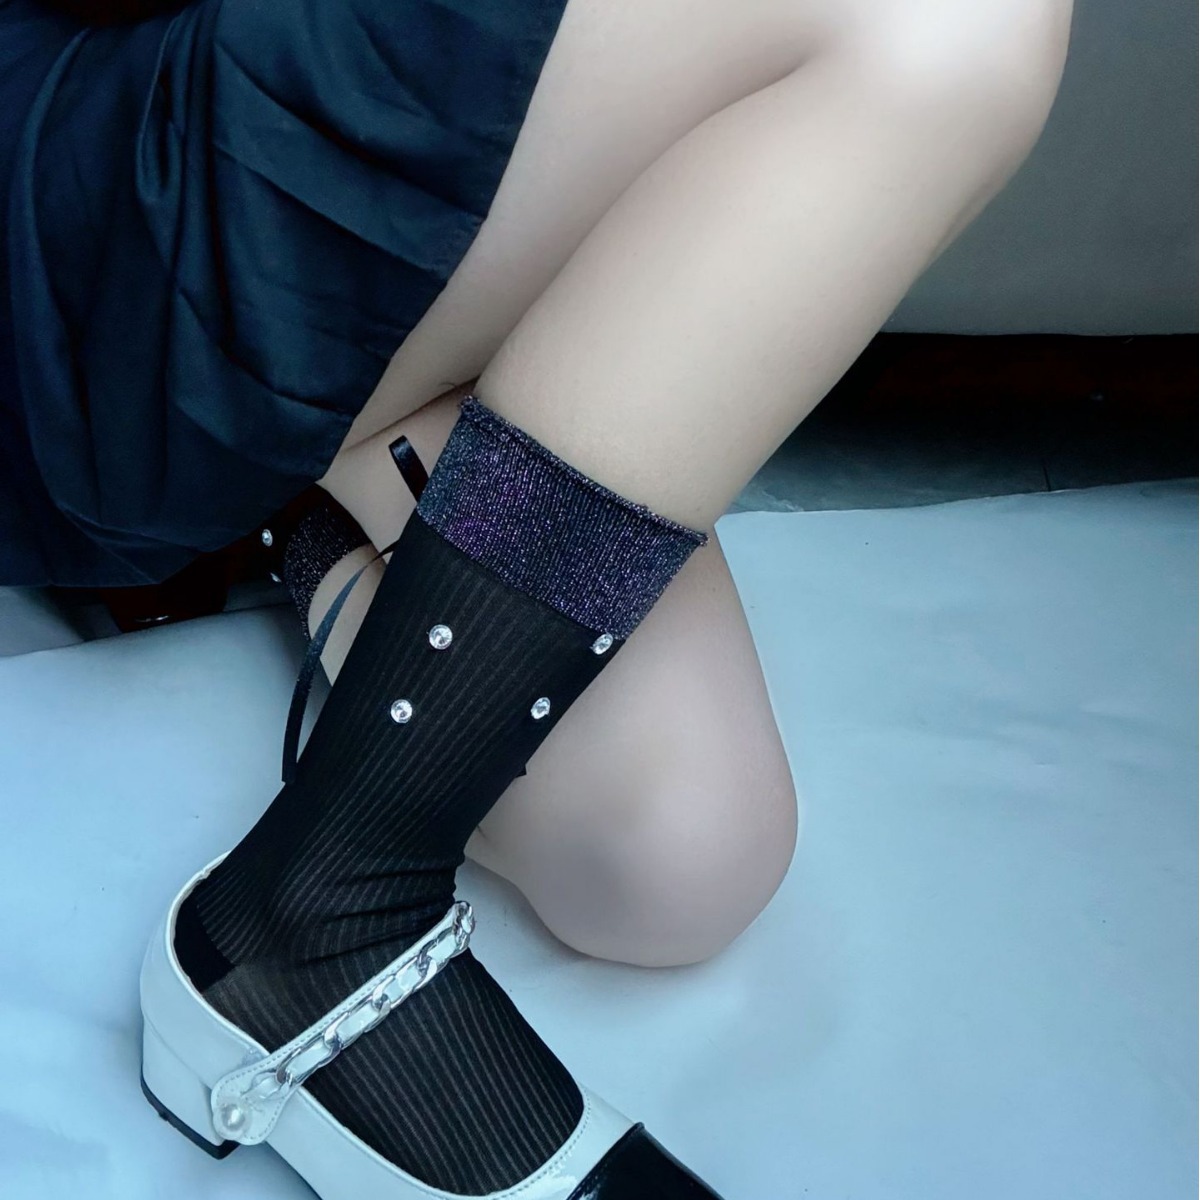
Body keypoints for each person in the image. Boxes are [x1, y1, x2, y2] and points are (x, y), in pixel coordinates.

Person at [0, 0, 1073, 1195]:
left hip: (410, 153)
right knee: (955, 16)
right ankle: (320, 911)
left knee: (676, 859)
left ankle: (297, 507)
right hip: (103, 155)